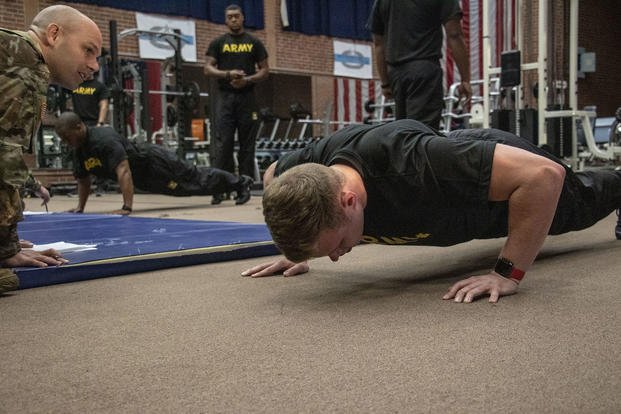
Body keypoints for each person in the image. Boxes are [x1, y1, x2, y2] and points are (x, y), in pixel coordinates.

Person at [241, 119, 621, 304]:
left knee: (579, 204)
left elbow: (542, 177)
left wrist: (507, 273)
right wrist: (300, 246)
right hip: (442, 204)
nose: (338, 258)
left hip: (482, 179)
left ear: (348, 200)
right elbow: (274, 176)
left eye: (337, 244)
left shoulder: (411, 164)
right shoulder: (308, 172)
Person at [0, 5, 101, 293]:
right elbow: (4, 158)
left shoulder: (13, 49)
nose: (94, 66)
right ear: (54, 35)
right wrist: (6, 249)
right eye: (88, 50)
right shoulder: (27, 65)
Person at [54, 112, 254, 214]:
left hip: (155, 161)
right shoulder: (78, 150)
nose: (66, 142)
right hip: (146, 177)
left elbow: (123, 171)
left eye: (66, 136)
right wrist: (80, 207)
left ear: (79, 127)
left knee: (196, 178)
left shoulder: (104, 139)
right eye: (62, 138)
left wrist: (127, 207)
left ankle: (241, 182)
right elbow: (83, 180)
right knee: (188, 189)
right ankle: (227, 187)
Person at [367, 0, 472, 129]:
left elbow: (378, 43)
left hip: (396, 74)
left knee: (403, 134)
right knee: (421, 136)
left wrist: (385, 83)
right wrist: (465, 79)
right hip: (424, 71)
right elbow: (454, 34)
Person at [204, 4, 269, 205]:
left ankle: (244, 187)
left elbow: (265, 70)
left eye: (236, 16)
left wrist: (247, 80)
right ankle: (221, 187)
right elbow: (207, 68)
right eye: (230, 17)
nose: (233, 19)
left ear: (243, 18)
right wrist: (228, 74)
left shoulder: (254, 42)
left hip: (247, 98)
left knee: (247, 147)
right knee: (223, 145)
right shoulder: (219, 43)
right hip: (225, 98)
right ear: (226, 20)